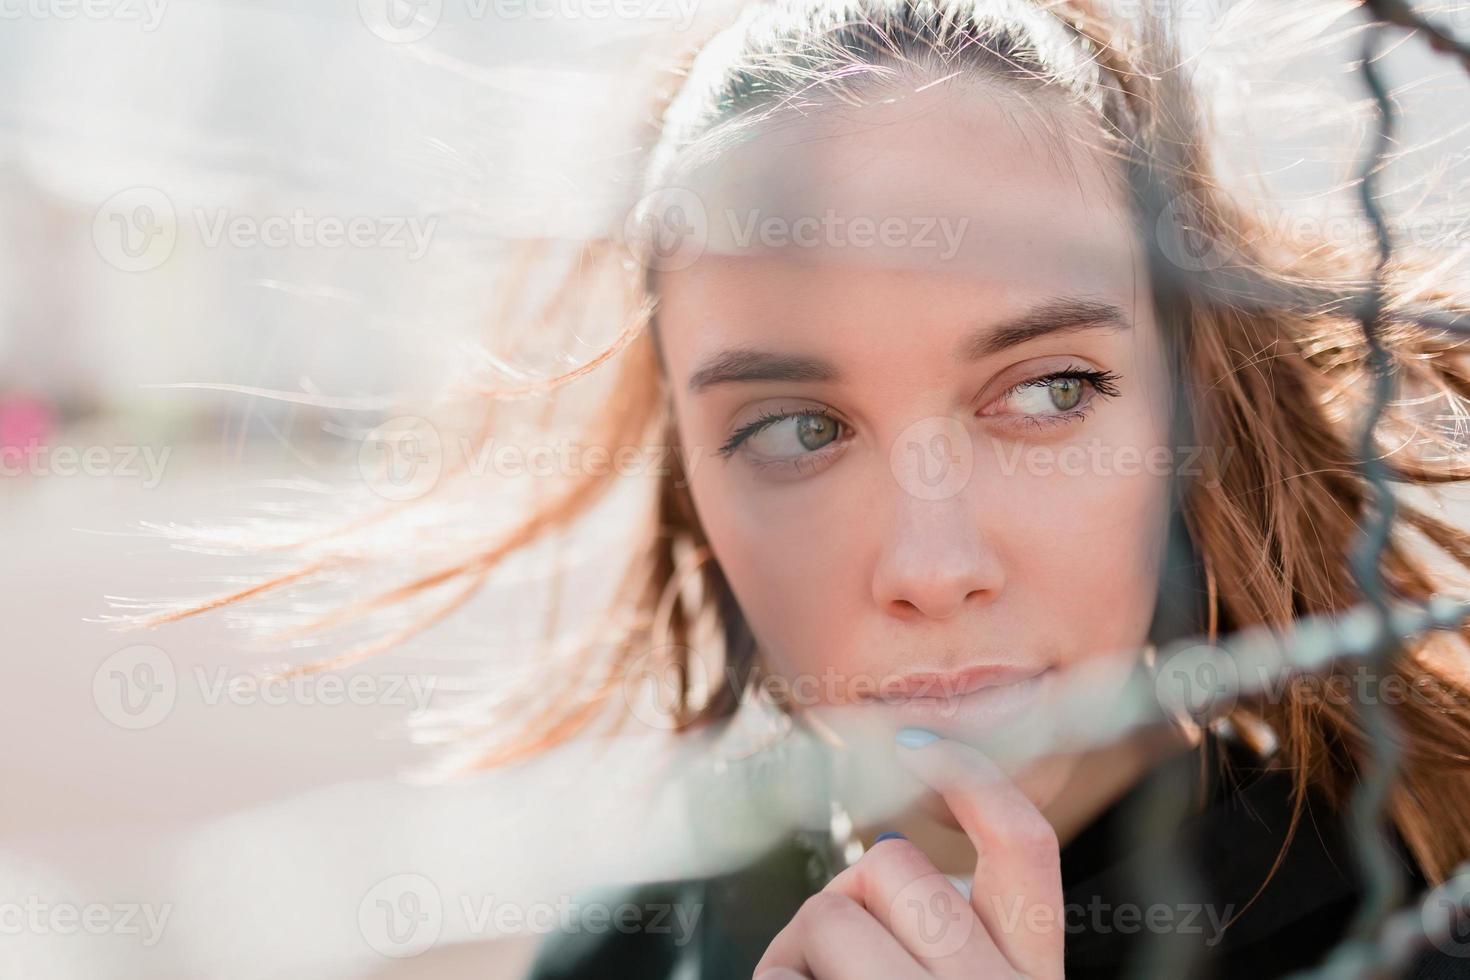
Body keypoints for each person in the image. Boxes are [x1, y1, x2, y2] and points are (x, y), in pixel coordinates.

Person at [157, 0, 1470, 974]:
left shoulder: (1422, 907)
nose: (928, 562)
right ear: (692, 500)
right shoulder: (624, 956)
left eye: (1047, 391)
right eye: (794, 429)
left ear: (1195, 409)